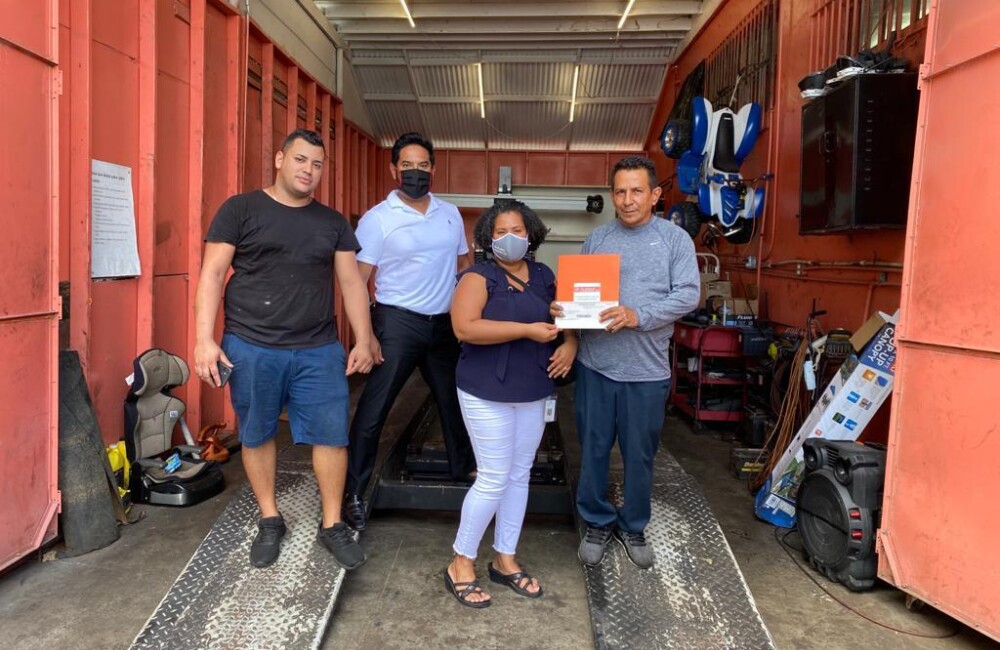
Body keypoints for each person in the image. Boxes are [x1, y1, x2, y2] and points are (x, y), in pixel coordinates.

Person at [193, 128, 374, 570]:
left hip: (318, 348)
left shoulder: (332, 222)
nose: (308, 170)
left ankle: (332, 524)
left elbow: (351, 282)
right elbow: (213, 275)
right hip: (252, 345)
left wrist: (364, 338)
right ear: (279, 159)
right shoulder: (241, 209)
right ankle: (270, 517)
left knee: (332, 435)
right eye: (300, 160)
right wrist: (203, 339)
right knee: (257, 432)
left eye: (317, 164)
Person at [558, 156, 700, 570]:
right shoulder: (598, 240)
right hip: (596, 366)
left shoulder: (675, 240)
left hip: (646, 372)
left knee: (639, 455)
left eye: (637, 191)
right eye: (620, 191)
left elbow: (688, 295)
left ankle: (634, 524)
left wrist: (638, 315)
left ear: (655, 195)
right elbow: (579, 294)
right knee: (595, 449)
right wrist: (566, 312)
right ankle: (597, 520)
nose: (627, 199)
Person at [443, 199, 577, 608]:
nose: (509, 238)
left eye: (517, 230)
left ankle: (504, 558)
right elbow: (465, 328)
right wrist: (525, 331)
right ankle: (461, 562)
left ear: (531, 233)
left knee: (520, 475)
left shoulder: (544, 275)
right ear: (487, 237)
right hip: (487, 390)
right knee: (494, 477)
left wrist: (569, 342)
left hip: (533, 387)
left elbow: (565, 320)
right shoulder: (477, 276)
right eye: (500, 232)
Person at [342, 132, 476, 531]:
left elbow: (464, 267)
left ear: (433, 169)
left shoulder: (449, 214)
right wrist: (366, 337)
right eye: (407, 166)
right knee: (373, 411)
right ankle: (352, 491)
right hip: (397, 323)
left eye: (422, 166)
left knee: (456, 404)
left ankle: (461, 470)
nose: (415, 173)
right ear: (393, 170)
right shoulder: (377, 220)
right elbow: (357, 281)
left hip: (442, 327)